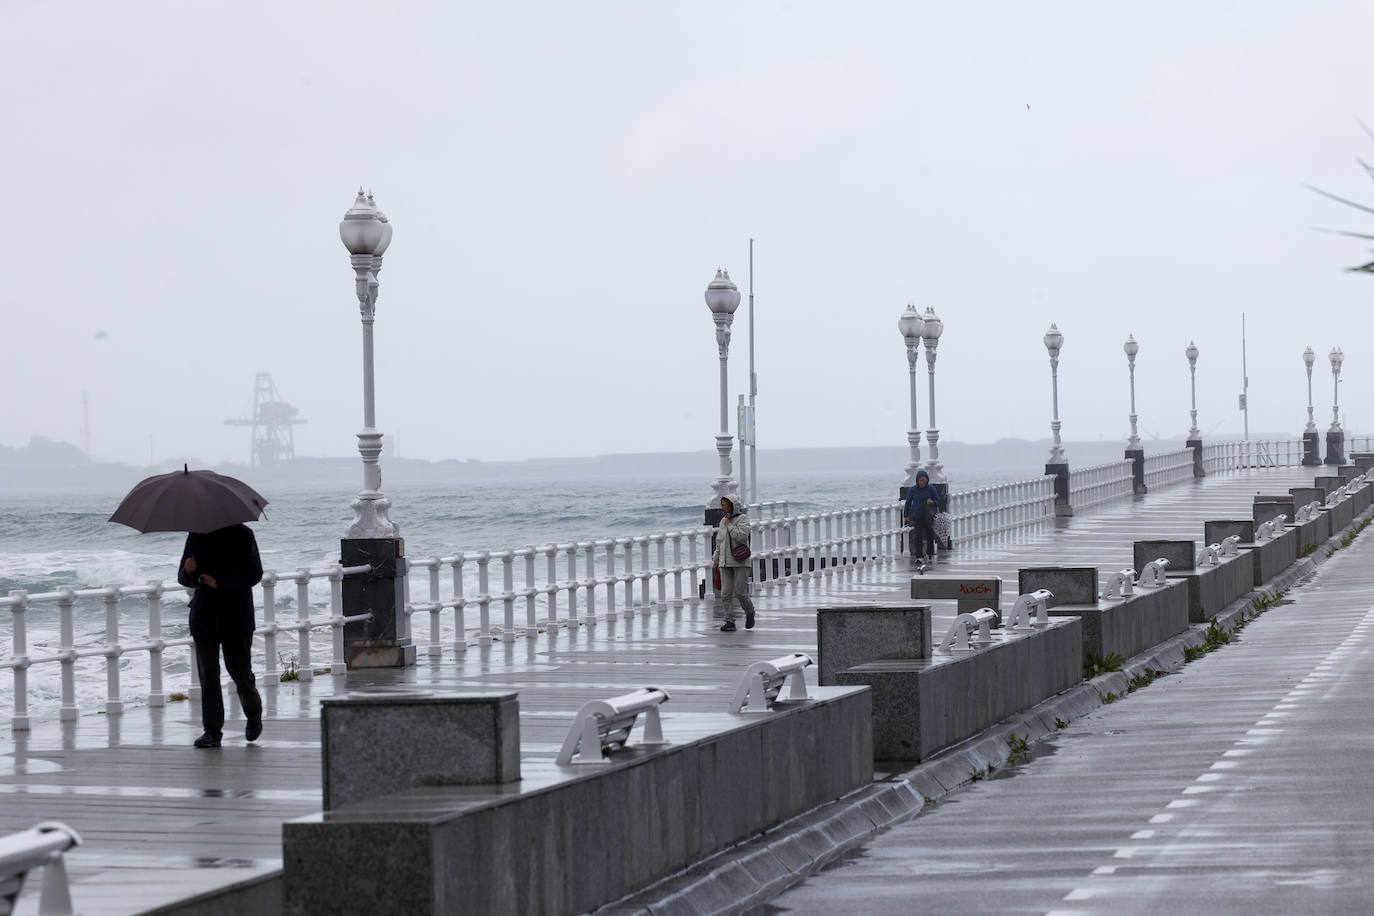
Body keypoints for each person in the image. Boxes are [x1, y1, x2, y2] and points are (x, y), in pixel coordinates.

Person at [177, 523, 264, 748]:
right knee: (208, 675)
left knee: (240, 672)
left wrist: (220, 583)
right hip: (204, 614)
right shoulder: (196, 533)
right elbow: (183, 577)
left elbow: (254, 573)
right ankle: (212, 730)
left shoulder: (243, 534)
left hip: (236, 614)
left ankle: (253, 713)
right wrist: (188, 571)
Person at [713, 495, 756, 632]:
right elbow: (719, 543)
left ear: (732, 505)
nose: (722, 507)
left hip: (740, 561)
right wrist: (716, 560)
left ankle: (750, 611)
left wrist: (730, 526)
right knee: (725, 593)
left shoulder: (743, 519)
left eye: (725, 504)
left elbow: (741, 537)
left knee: (740, 592)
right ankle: (729, 621)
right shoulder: (722, 521)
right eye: (722, 504)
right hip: (725, 562)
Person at [903, 470, 946, 562]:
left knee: (929, 535)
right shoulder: (913, 489)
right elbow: (908, 503)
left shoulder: (931, 489)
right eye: (920, 480)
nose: (922, 482)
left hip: (929, 516)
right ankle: (919, 556)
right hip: (917, 516)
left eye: (924, 480)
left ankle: (929, 554)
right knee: (918, 536)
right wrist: (905, 516)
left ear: (927, 480)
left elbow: (938, 501)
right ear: (917, 480)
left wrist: (932, 502)